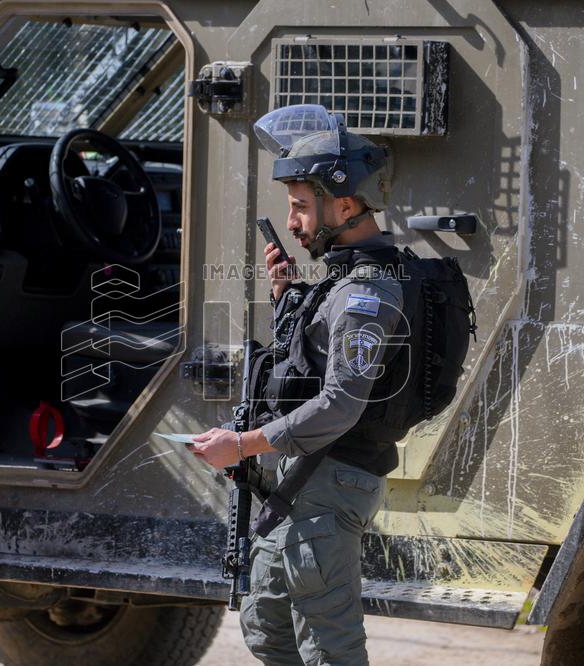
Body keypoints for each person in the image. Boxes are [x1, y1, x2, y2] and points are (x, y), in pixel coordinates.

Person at [189, 105, 404, 666]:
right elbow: (310, 366)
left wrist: (242, 446)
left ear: (346, 205)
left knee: (327, 651)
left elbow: (339, 404)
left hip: (330, 483)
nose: (292, 222)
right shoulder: (341, 283)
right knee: (270, 633)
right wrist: (286, 296)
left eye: (301, 207)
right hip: (302, 482)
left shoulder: (367, 292)